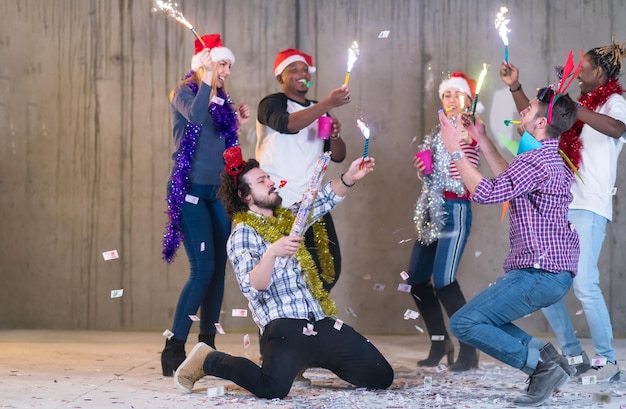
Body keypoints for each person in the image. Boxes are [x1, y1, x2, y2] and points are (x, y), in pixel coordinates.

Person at [172, 151, 394, 399]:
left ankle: (311, 356)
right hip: (284, 327)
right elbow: (255, 285)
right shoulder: (243, 234)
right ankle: (208, 359)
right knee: (272, 388)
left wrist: (350, 176)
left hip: (318, 321)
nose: (270, 182)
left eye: (267, 177)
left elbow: (322, 200)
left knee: (381, 376)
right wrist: (272, 253)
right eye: (261, 181)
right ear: (244, 196)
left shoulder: (289, 220)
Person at [443, 86, 580, 406]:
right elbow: (509, 182)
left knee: (463, 323)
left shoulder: (535, 161)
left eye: (529, 108)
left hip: (538, 273)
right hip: (552, 273)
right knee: (486, 318)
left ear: (541, 123)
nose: (523, 110)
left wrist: (455, 150)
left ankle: (540, 368)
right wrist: (483, 139)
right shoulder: (545, 158)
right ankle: (548, 359)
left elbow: (487, 193)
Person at [500, 39, 626, 382]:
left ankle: (607, 362)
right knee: (546, 280)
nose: (577, 76)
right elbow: (537, 118)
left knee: (585, 284)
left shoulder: (615, 102)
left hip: (589, 206)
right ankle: (571, 354)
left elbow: (617, 129)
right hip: (560, 203)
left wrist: (570, 106)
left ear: (599, 73)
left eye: (582, 72)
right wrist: (516, 88)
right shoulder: (577, 104)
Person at [160, 34, 251, 377]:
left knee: (218, 271)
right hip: (190, 193)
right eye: (222, 64)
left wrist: (237, 125)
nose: (227, 71)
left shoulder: (221, 99)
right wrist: (209, 80)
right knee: (202, 269)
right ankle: (173, 347)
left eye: (228, 65)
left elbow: (221, 146)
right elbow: (196, 120)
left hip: (218, 193)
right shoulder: (184, 92)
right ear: (206, 63)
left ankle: (207, 346)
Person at [256, 48, 350, 295]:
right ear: (280, 77)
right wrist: (328, 103)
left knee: (327, 270)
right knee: (279, 271)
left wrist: (335, 135)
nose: (301, 73)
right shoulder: (272, 104)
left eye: (305, 70)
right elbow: (287, 125)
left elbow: (338, 155)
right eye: (293, 69)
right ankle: (276, 329)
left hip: (311, 202)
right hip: (278, 203)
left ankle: (309, 326)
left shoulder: (320, 110)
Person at [408, 73, 481, 372]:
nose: (451, 100)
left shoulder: (469, 126)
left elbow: (472, 142)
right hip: (432, 207)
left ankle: (469, 347)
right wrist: (422, 170)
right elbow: (435, 177)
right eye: (446, 95)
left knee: (445, 281)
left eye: (457, 94)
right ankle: (440, 342)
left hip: (456, 208)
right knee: (415, 279)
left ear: (468, 100)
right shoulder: (436, 134)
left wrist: (465, 131)